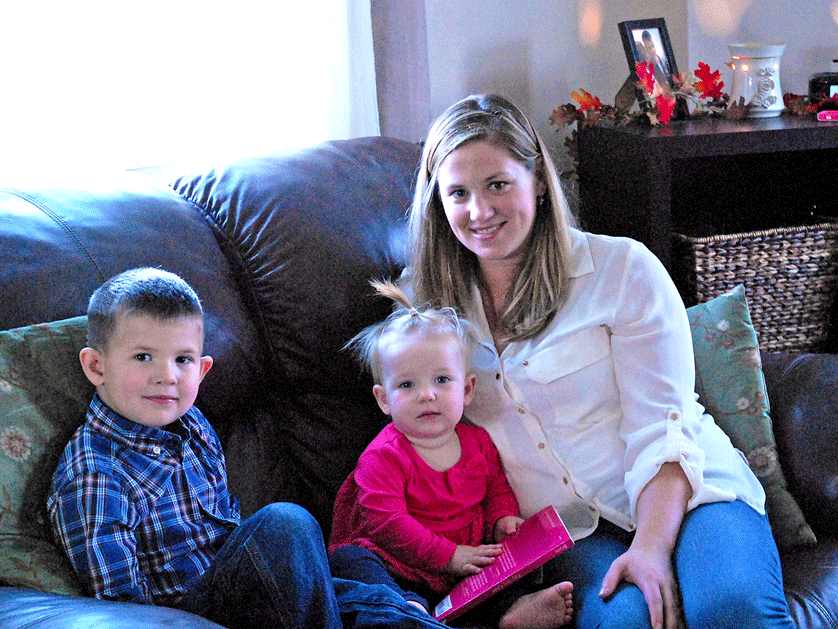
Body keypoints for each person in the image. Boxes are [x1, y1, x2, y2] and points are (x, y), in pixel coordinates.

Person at [403, 93, 796, 629]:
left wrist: (652, 547)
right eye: (458, 193)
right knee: (626, 622)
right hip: (569, 532)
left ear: (538, 180)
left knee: (732, 607)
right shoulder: (425, 316)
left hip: (689, 489)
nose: (480, 211)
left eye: (497, 184)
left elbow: (663, 426)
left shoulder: (621, 269)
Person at [47, 267, 449, 629]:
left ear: (202, 369)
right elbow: (125, 611)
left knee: (355, 571)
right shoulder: (95, 477)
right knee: (285, 522)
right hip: (189, 614)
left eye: (183, 359)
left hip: (252, 589)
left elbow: (228, 528)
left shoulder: (192, 423)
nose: (167, 376)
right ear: (96, 366)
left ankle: (408, 616)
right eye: (143, 357)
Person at [328, 281, 574, 629]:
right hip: (398, 563)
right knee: (350, 561)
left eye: (442, 380)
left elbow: (496, 489)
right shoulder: (381, 458)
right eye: (407, 385)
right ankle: (403, 609)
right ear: (384, 399)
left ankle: (512, 611)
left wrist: (502, 519)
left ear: (468, 389)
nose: (427, 395)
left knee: (499, 561)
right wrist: (449, 556)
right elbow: (389, 524)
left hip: (463, 566)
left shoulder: (478, 443)